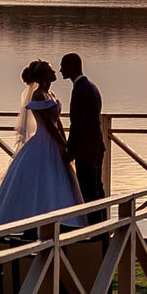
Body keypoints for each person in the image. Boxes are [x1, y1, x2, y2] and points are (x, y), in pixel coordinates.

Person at [0, 59, 83, 228]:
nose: (54, 73)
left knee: (58, 183)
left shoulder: (50, 94)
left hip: (53, 142)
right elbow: (49, 126)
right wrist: (62, 144)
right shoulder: (38, 95)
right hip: (43, 142)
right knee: (40, 181)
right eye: (50, 71)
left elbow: (57, 122)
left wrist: (65, 142)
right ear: (44, 76)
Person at [62, 52, 106, 220]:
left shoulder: (80, 90)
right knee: (97, 191)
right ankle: (102, 232)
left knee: (89, 193)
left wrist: (70, 150)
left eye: (63, 66)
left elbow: (77, 124)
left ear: (72, 67)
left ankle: (95, 233)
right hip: (96, 147)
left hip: (86, 150)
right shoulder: (91, 87)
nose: (60, 70)